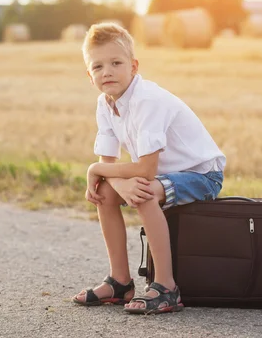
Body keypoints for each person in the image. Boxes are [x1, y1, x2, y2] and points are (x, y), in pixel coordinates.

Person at [72, 22, 226, 314]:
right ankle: (120, 282)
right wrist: (107, 177)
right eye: (98, 66)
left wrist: (100, 171)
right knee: (104, 192)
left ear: (133, 66)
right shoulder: (105, 104)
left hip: (201, 176)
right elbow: (108, 166)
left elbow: (145, 169)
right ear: (89, 75)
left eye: (116, 63)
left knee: (142, 191)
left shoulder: (147, 101)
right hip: (159, 175)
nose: (107, 72)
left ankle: (167, 287)